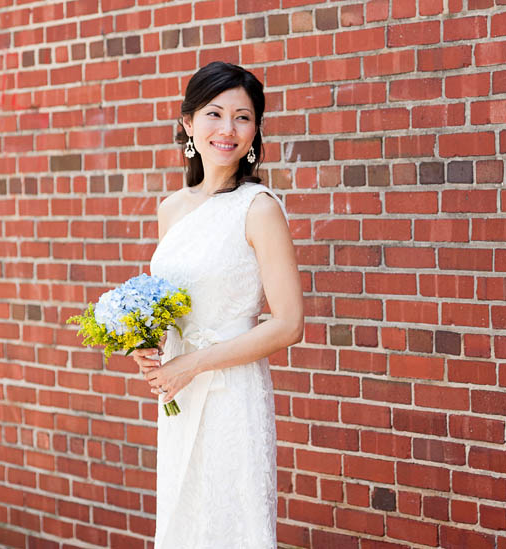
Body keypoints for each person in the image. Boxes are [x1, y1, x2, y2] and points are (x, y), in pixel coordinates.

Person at [132, 61, 304, 548]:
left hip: (232, 392)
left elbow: (290, 324)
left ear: (255, 130)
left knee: (231, 524)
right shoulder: (171, 208)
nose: (228, 129)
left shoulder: (259, 207)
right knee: (185, 522)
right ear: (188, 123)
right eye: (214, 113)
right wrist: (149, 346)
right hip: (179, 395)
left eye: (243, 117)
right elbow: (174, 307)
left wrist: (194, 364)